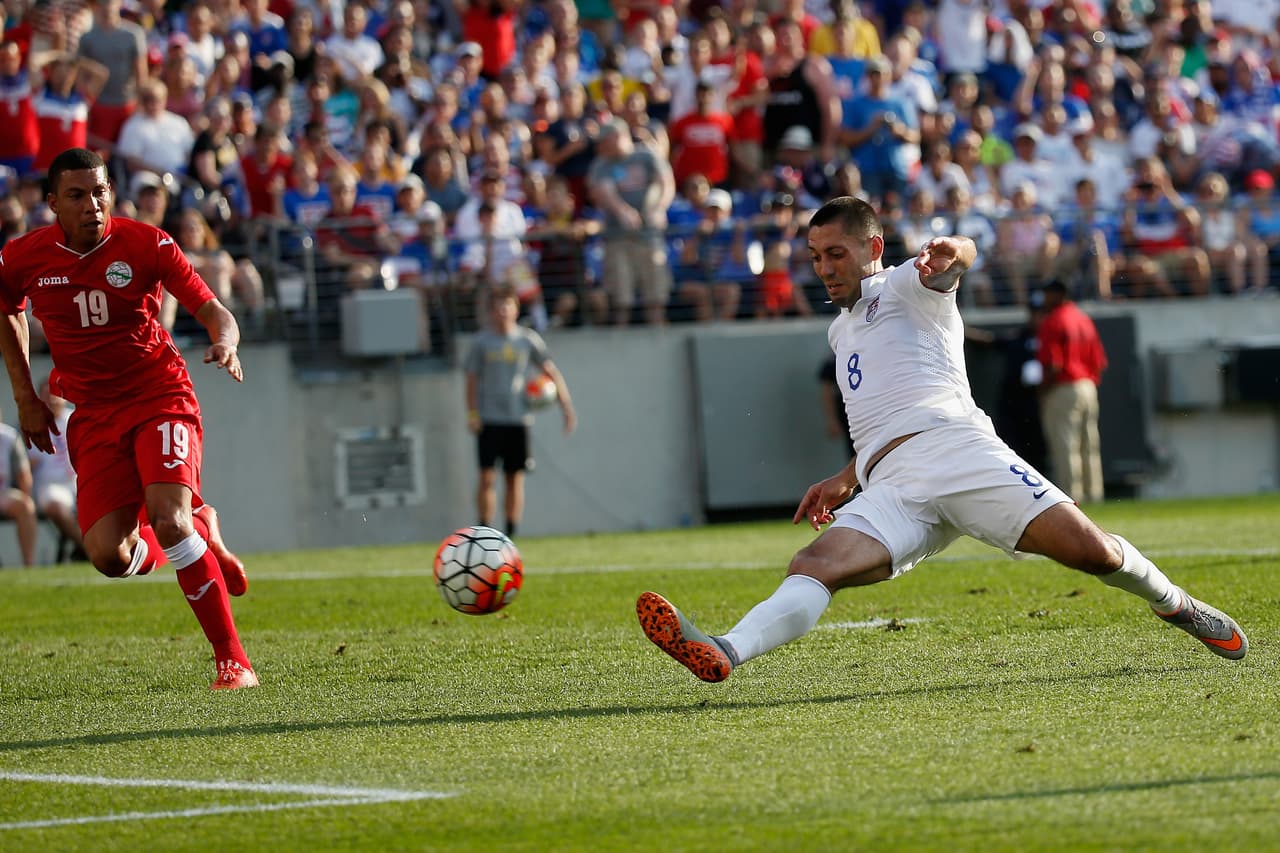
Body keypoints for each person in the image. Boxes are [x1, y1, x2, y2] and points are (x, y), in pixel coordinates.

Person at [636, 196, 1248, 684]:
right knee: (814, 564)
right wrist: (847, 476)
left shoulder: (905, 284)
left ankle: (1174, 603)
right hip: (890, 484)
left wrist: (954, 248)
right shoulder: (838, 333)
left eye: (836, 253)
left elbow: (961, 257)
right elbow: (882, 417)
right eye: (816, 256)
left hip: (958, 452)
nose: (824, 267)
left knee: (1093, 553)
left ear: (873, 248)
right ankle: (723, 650)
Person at [0, 147, 257, 690]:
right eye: (76, 195)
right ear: (51, 204)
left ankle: (233, 662)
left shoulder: (146, 243)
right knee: (107, 557)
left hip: (159, 396)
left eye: (99, 192)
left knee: (168, 520)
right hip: (92, 416)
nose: (92, 204)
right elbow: (6, 309)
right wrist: (25, 396)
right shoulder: (24, 258)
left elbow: (212, 309)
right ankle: (200, 527)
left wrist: (226, 341)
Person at [463, 286, 576, 538]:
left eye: (508, 305)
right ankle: (484, 531)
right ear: (491, 311)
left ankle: (510, 534)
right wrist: (472, 414)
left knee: (515, 478)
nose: (503, 310)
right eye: (498, 306)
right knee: (487, 477)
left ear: (515, 308)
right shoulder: (482, 342)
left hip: (518, 419)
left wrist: (565, 406)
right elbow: (471, 380)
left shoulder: (527, 339)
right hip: (489, 419)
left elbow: (550, 372)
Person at [1036, 279, 1107, 505]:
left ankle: (1073, 498)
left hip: (1063, 387)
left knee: (1066, 446)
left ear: (1058, 294)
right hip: (1088, 386)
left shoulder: (1054, 320)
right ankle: (1094, 495)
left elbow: (1053, 365)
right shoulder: (1083, 318)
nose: (1044, 299)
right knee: (1089, 446)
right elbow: (1099, 361)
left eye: (1047, 294)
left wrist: (1043, 391)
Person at [27, 376, 84, 559]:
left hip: (78, 480)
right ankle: (88, 550)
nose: (52, 399)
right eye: (47, 394)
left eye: (55, 394)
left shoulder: (76, 419)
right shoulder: (34, 423)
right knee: (56, 507)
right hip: (49, 485)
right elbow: (28, 464)